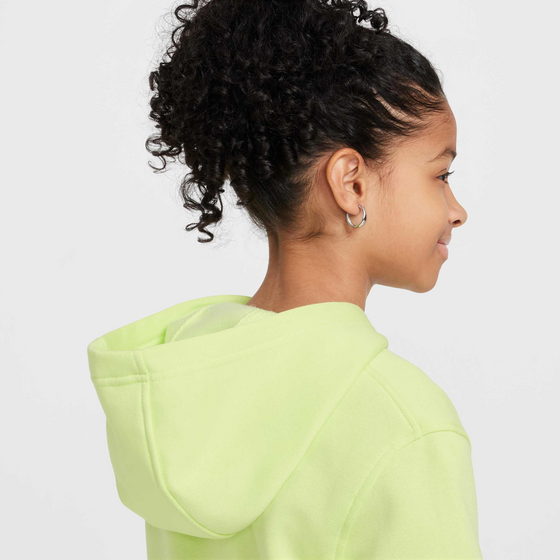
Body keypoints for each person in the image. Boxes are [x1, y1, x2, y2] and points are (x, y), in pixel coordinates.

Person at [87, 1, 483, 558]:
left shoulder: (188, 380)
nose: (457, 210)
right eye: (441, 174)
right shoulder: (405, 422)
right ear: (351, 184)